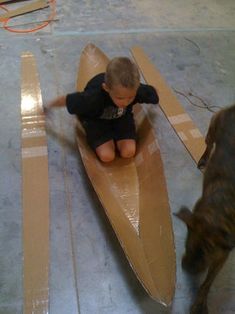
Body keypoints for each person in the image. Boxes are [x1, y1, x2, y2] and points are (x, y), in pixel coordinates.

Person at [46, 56, 159, 162]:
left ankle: (116, 135)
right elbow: (66, 100)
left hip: (121, 117)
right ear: (106, 88)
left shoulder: (135, 90)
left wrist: (155, 99)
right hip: (96, 119)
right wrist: (48, 106)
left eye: (131, 97)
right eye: (120, 98)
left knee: (128, 152)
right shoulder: (92, 98)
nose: (125, 102)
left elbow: (152, 92)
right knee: (107, 156)